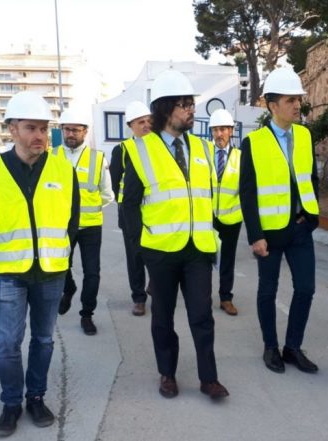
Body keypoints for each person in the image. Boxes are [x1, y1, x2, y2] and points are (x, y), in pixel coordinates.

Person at [0, 91, 79, 436]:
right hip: (9, 272)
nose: (39, 136)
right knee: (7, 342)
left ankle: (36, 397)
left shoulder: (63, 170)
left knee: (44, 340)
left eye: (44, 128)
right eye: (31, 128)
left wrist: (62, 261)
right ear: (12, 129)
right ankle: (10, 404)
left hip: (50, 271)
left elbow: (71, 220)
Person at [122, 69, 229, 400]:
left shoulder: (202, 147)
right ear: (166, 108)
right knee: (163, 318)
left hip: (198, 249)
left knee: (202, 316)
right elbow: (130, 208)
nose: (191, 111)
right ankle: (167, 374)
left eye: (191, 104)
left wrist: (214, 240)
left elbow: (208, 197)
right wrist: (142, 252)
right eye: (184, 105)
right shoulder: (140, 149)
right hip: (161, 251)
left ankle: (208, 379)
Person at [239, 67, 320, 375]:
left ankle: (293, 347)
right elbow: (247, 193)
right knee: (267, 291)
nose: (297, 105)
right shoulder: (254, 142)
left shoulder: (304, 135)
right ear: (272, 105)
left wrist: (310, 216)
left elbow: (311, 177)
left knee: (306, 289)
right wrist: (255, 235)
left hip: (300, 228)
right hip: (270, 233)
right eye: (290, 100)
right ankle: (270, 347)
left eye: (298, 99)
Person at [53, 108, 113, 335]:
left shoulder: (98, 159)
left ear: (85, 132)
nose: (70, 134)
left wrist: (88, 211)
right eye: (67, 129)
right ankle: (69, 290)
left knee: (92, 272)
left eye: (75, 130)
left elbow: (107, 194)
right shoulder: (51, 156)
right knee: (61, 267)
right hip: (60, 225)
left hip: (90, 226)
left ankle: (87, 314)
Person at [110, 101, 152, 316]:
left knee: (158, 253)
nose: (146, 125)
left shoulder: (160, 147)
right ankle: (138, 298)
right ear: (131, 125)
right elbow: (114, 182)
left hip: (157, 213)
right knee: (135, 257)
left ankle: (155, 282)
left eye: (148, 121)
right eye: (140, 122)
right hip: (130, 215)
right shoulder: (123, 150)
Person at [209, 108, 242, 316]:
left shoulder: (241, 157)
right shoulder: (203, 154)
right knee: (203, 258)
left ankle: (225, 298)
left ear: (231, 131)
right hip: (207, 215)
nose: (219, 134)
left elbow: (246, 188)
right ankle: (201, 295)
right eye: (215, 130)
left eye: (223, 129)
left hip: (232, 216)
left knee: (227, 259)